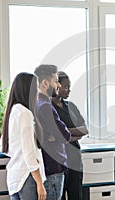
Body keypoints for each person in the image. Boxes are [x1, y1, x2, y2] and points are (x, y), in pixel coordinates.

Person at [1, 72, 47, 200]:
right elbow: (29, 152)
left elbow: (3, 146)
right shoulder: (25, 113)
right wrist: (39, 183)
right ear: (28, 89)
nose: (39, 91)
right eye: (36, 87)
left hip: (15, 177)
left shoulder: (13, 111)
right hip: (27, 177)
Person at [34, 64, 71, 200]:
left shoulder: (37, 103)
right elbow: (65, 135)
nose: (58, 85)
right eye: (55, 81)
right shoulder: (45, 106)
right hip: (53, 168)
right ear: (45, 83)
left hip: (49, 166)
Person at [51, 71, 88, 200]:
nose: (68, 90)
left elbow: (84, 130)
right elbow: (53, 133)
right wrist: (70, 133)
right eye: (66, 86)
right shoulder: (47, 107)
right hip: (58, 161)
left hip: (75, 160)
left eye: (69, 87)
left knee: (76, 195)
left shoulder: (71, 106)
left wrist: (65, 132)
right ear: (56, 85)